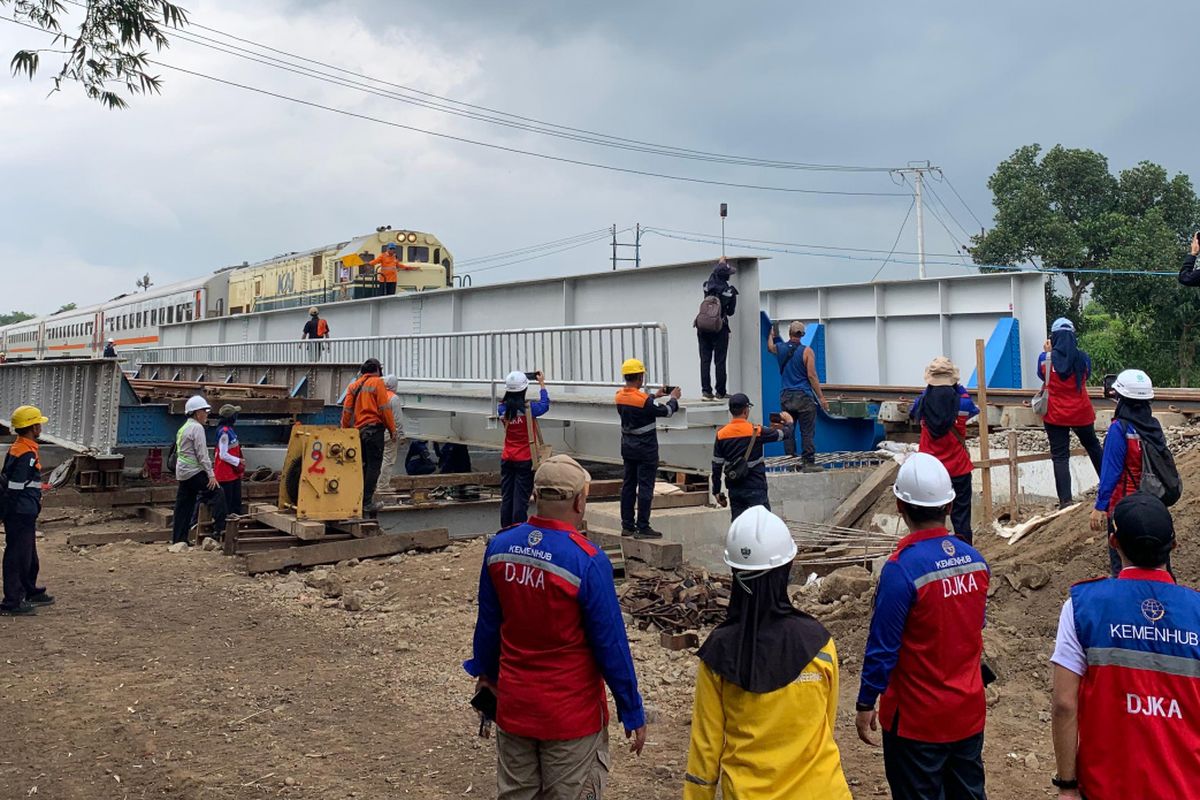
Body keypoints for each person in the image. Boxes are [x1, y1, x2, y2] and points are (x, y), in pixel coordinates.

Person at [464, 455, 647, 799]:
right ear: (580, 500)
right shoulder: (587, 560)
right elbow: (611, 645)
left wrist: (486, 676)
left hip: (515, 706)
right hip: (570, 718)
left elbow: (488, 627)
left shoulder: (500, 548)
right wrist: (631, 709)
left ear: (535, 495)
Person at [685, 506, 852, 799]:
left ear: (736, 574)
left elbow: (705, 752)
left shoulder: (720, 653)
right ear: (786, 570)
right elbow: (827, 723)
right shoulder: (819, 642)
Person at [856, 452, 990, 800]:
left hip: (916, 722)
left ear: (900, 506)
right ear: (949, 507)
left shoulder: (901, 570)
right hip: (967, 713)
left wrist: (866, 701)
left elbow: (883, 648)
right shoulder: (976, 562)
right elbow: (973, 628)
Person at [1050, 493, 1200, 800]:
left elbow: (1064, 704)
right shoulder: (1196, 611)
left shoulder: (1082, 606)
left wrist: (1067, 785)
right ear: (1173, 545)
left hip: (1105, 788)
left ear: (1114, 543)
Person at [1090, 368, 1169, 577]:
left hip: (1124, 508)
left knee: (1124, 568)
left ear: (1121, 398)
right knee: (1158, 566)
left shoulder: (1120, 429)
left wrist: (1100, 506)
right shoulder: (1154, 426)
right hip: (1154, 506)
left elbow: (1111, 472)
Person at [910, 356, 979, 543]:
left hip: (930, 470)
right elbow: (973, 409)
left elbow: (911, 411)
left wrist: (928, 390)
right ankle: (965, 550)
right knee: (961, 516)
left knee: (928, 518)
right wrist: (958, 387)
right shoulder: (963, 402)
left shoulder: (923, 402)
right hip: (958, 468)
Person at [1037, 318, 1103, 509]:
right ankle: (1110, 485)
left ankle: (1065, 501)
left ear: (1053, 337)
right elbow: (1086, 376)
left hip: (1055, 414)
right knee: (1093, 447)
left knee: (1060, 456)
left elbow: (1042, 376)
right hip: (1081, 412)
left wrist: (1048, 353)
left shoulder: (1044, 359)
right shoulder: (1083, 358)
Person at [615, 357, 680, 539]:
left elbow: (640, 402)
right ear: (640, 377)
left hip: (627, 447)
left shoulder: (619, 396)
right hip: (646, 450)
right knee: (645, 487)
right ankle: (643, 527)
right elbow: (666, 411)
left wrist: (654, 396)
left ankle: (627, 526)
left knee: (628, 485)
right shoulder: (644, 401)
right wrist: (673, 398)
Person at [0, 405, 53, 616]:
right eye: (38, 423)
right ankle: (13, 601)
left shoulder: (21, 447)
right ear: (33, 428)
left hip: (23, 510)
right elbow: (15, 486)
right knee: (17, 555)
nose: (41, 427)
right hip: (20, 512)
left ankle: (30, 590)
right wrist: (9, 511)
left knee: (28, 553)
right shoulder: (25, 454)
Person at [710, 394, 792, 520]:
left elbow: (716, 466)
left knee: (739, 525)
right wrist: (789, 422)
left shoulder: (721, 434)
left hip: (735, 488)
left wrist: (716, 491)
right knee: (763, 525)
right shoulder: (756, 431)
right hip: (756, 486)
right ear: (746, 410)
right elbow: (785, 435)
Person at [766, 320, 828, 473]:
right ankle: (808, 462)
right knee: (806, 431)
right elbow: (812, 376)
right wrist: (821, 397)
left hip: (786, 396)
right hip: (804, 397)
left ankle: (791, 462)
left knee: (789, 429)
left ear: (789, 333)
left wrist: (771, 335)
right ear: (803, 335)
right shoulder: (807, 351)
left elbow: (770, 348)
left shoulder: (780, 348)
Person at [340, 358, 396, 512]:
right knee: (373, 467)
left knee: (361, 466)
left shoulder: (353, 386)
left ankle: (356, 500)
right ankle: (366, 503)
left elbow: (347, 411)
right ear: (377, 370)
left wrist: (345, 430)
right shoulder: (378, 383)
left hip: (358, 432)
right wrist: (392, 430)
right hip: (374, 430)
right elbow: (385, 409)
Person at [172, 395, 227, 546]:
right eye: (205, 410)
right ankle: (219, 531)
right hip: (194, 472)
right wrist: (211, 475)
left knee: (184, 505)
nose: (207, 414)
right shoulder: (197, 428)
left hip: (183, 473)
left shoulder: (184, 428)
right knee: (217, 493)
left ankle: (179, 538)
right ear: (197, 412)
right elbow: (202, 455)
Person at [497, 370, 550, 528]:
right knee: (520, 500)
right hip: (525, 460)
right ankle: (518, 529)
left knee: (507, 498)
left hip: (507, 458)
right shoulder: (530, 409)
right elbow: (545, 405)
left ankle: (505, 530)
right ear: (524, 389)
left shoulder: (502, 409)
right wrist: (541, 384)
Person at [696, 257, 738, 401]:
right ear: (725, 276)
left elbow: (713, 277)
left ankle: (706, 392)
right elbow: (731, 312)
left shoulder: (706, 286)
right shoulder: (730, 291)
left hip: (702, 327)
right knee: (720, 361)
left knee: (705, 360)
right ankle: (720, 392)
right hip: (720, 328)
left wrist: (720, 264)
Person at [213, 404, 245, 519]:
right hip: (225, 473)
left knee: (235, 501)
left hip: (232, 473)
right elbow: (223, 454)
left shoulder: (229, 431)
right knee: (227, 502)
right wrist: (238, 461)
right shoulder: (225, 433)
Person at [379, 374, 407, 480]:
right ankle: (382, 485)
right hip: (389, 433)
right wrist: (402, 435)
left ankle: (374, 484)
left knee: (378, 460)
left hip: (377, 431)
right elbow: (397, 419)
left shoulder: (379, 395)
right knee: (388, 459)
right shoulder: (393, 398)